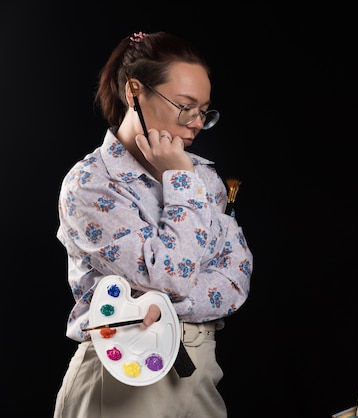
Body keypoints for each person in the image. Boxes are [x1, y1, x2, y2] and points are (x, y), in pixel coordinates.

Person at [53, 31, 253, 418]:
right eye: (184, 106)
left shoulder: (205, 179)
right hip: (123, 375)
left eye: (203, 111)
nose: (196, 123)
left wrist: (164, 305)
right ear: (134, 92)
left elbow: (237, 278)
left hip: (200, 374)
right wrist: (179, 181)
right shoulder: (92, 183)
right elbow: (171, 277)